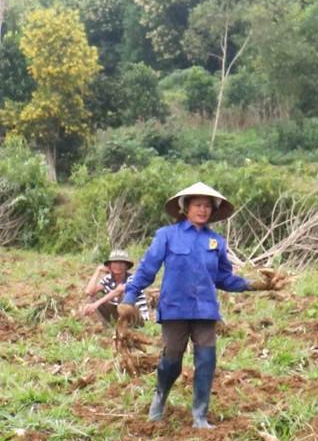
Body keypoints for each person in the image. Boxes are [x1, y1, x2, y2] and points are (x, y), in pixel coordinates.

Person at [120, 183, 269, 428]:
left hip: (205, 310)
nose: (203, 210)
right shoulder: (166, 235)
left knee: (206, 359)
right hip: (175, 308)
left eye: (208, 206)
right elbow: (147, 269)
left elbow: (223, 277)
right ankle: (159, 397)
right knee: (172, 359)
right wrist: (130, 295)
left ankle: (199, 415)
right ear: (185, 208)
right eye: (198, 205)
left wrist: (253, 285)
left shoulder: (216, 242)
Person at [78, 248, 140, 324]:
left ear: (126, 266)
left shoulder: (132, 278)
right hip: (117, 313)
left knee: (123, 297)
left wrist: (96, 304)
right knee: (93, 298)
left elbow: (118, 291)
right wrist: (98, 271)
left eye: (121, 263)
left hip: (135, 316)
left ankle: (127, 327)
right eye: (115, 263)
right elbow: (89, 292)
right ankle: (106, 326)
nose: (118, 266)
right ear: (109, 266)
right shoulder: (108, 279)